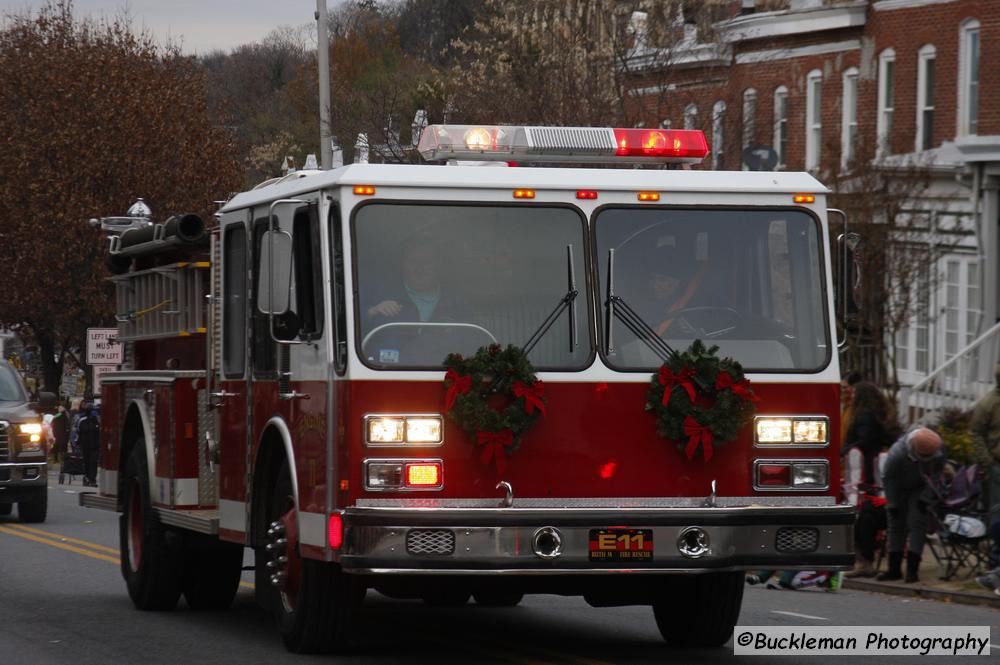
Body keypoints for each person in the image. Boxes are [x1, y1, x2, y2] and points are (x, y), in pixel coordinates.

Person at [878, 427, 945, 583]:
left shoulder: (939, 448)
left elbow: (937, 474)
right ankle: (893, 570)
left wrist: (925, 497)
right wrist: (892, 503)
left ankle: (912, 571)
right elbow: (888, 478)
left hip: (921, 487)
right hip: (898, 487)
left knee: (917, 524)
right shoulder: (897, 453)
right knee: (896, 525)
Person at [366, 238, 461, 324]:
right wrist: (372, 311)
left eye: (427, 262)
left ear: (439, 265)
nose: (419, 269)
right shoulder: (380, 292)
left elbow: (471, 337)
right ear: (402, 263)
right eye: (412, 261)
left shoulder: (455, 302)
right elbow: (355, 321)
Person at [969, 364, 1000, 561]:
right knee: (997, 511)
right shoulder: (988, 404)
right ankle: (996, 559)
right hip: (996, 465)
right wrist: (987, 462)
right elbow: (976, 434)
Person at [76, 398, 101, 487]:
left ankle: (92, 479)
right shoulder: (82, 419)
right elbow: (78, 430)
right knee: (87, 462)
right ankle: (87, 477)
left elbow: (100, 431)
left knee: (93, 462)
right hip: (85, 445)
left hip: (95, 445)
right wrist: (78, 442)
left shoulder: (97, 420)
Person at [51, 404, 71, 483]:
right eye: (59, 407)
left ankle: (60, 458)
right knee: (58, 446)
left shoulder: (64, 414)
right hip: (59, 432)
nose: (60, 408)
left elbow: (54, 419)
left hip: (61, 433)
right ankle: (57, 459)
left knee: (60, 446)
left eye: (61, 407)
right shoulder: (63, 414)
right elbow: (54, 419)